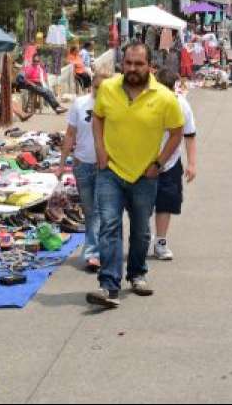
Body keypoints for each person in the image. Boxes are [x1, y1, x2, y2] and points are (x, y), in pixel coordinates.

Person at [87, 44, 185, 310]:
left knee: (141, 231)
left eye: (138, 64)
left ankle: (137, 274)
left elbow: (177, 132)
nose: (132, 69)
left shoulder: (164, 97)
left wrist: (159, 163)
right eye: (128, 63)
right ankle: (109, 285)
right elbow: (97, 118)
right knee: (109, 226)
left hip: (145, 174)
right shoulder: (107, 89)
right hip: (111, 171)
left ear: (149, 66)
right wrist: (100, 150)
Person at [60, 71, 110, 271]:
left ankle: (93, 253)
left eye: (104, 88)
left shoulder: (113, 106)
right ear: (92, 86)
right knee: (89, 211)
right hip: (81, 164)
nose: (99, 91)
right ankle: (99, 249)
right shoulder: (79, 104)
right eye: (97, 87)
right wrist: (62, 163)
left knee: (98, 210)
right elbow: (70, 133)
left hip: (103, 166)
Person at [152, 70, 198, 261]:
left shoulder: (181, 105)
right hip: (141, 163)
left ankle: (161, 242)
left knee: (166, 203)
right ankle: (140, 240)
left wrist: (192, 164)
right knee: (140, 206)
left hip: (169, 164)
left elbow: (189, 135)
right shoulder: (146, 102)